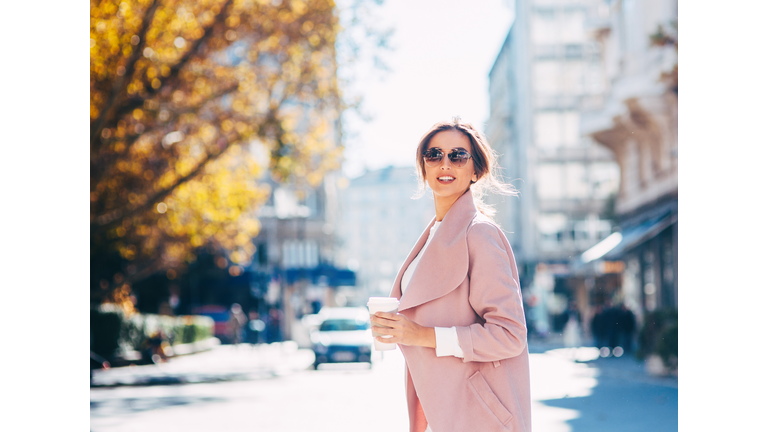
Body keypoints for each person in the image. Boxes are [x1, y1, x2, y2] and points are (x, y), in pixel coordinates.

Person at [370, 118, 532, 432]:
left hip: (476, 415)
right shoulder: (433, 235)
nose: (445, 163)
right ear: (424, 167)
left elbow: (510, 335)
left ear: (476, 170)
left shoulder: (479, 233)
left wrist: (420, 335)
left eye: (458, 156)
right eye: (434, 155)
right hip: (439, 409)